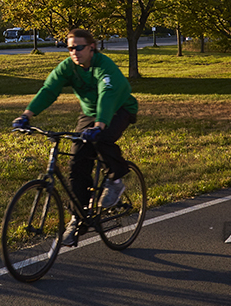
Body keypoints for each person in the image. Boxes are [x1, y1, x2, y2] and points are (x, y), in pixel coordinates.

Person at [11, 28, 137, 246]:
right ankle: (78, 218)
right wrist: (26, 115)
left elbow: (107, 97)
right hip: (90, 113)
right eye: (70, 48)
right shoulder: (68, 67)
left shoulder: (104, 67)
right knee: (77, 162)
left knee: (100, 138)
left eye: (79, 47)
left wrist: (99, 125)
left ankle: (115, 179)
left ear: (91, 48)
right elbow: (49, 90)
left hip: (119, 108)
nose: (74, 51)